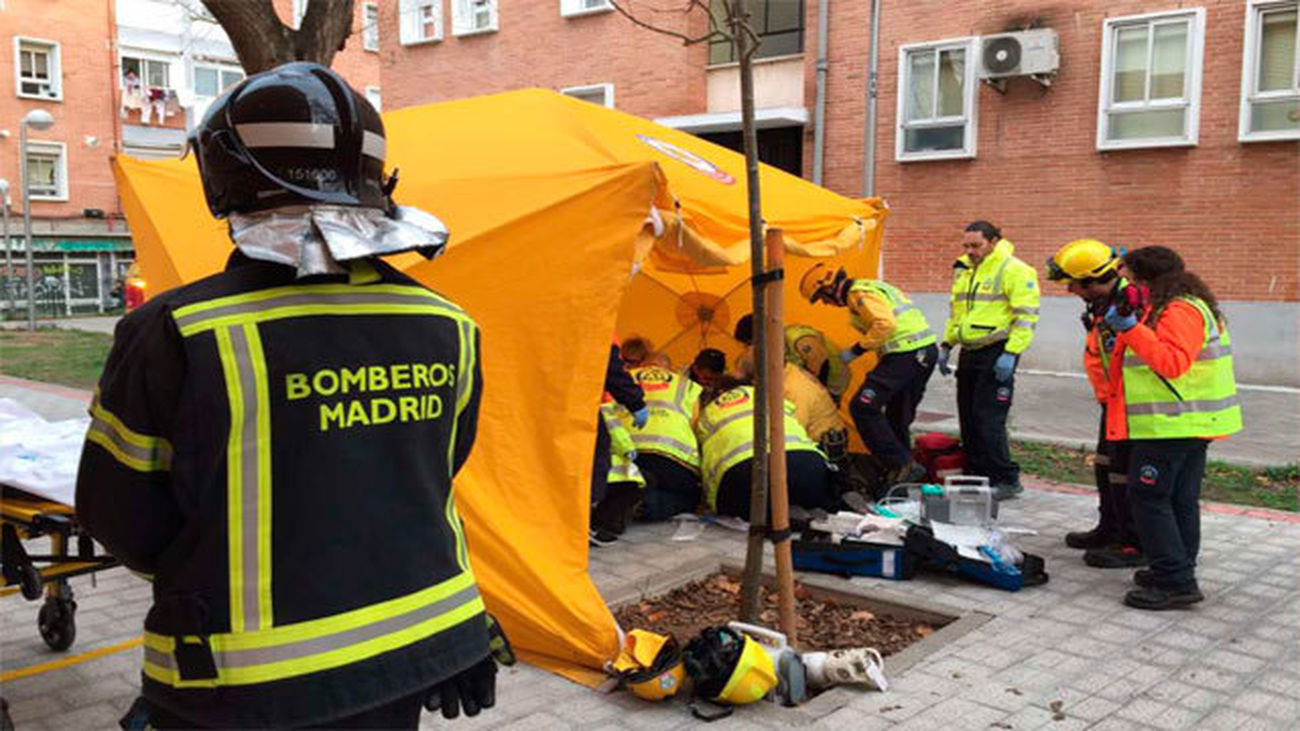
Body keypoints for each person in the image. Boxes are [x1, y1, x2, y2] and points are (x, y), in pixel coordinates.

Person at [75, 63, 503, 729]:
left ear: (223, 177)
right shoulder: (449, 324)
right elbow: (425, 479)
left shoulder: (178, 330)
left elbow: (120, 517)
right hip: (412, 654)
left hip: (243, 685)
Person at [1102, 246, 1241, 610]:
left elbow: (1172, 362)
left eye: (1129, 281)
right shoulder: (1169, 306)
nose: (1126, 289)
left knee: (1148, 497)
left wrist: (1131, 330)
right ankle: (1175, 567)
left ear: (1146, 281)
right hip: (1179, 423)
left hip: (1173, 425)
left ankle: (1175, 582)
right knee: (1178, 499)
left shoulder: (1181, 310)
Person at [1047, 239, 1146, 569]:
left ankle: (1132, 542)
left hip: (1133, 404)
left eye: (1073, 283)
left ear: (1092, 280)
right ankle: (1110, 527)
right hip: (1112, 401)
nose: (1070, 290)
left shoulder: (1129, 304)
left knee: (1123, 472)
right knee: (1106, 466)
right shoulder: (1105, 303)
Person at [799, 264, 937, 486]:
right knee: (897, 416)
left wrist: (857, 350)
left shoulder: (859, 294)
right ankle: (901, 476)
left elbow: (885, 324)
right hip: (923, 352)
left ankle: (901, 464)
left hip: (905, 353)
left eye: (822, 297)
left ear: (829, 287)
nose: (825, 303)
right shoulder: (873, 286)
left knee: (863, 407)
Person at [940, 221, 1040, 500]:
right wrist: (947, 344)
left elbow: (1026, 316)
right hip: (970, 350)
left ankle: (1006, 478)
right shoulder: (966, 270)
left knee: (988, 419)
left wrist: (1012, 352)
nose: (970, 251)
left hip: (997, 350)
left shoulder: (1014, 269)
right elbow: (958, 313)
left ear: (994, 242)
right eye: (966, 246)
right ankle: (976, 474)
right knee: (969, 417)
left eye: (976, 245)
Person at [695, 376, 838, 520]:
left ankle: (779, 519)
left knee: (750, 515)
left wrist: (713, 504)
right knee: (816, 502)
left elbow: (704, 464)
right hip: (807, 464)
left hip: (744, 476)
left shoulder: (707, 414)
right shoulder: (769, 397)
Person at [618, 339, 705, 521]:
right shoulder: (685, 385)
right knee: (690, 496)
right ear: (670, 369)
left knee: (624, 486)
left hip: (627, 455)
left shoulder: (624, 379)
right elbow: (697, 428)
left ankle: (636, 495)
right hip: (672, 457)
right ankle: (648, 504)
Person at [591, 341, 649, 546]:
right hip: (582, 406)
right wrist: (635, 401)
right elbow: (606, 362)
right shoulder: (596, 328)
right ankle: (588, 523)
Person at [733, 313, 850, 402]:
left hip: (832, 382)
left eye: (750, 343)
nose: (750, 348)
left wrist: (822, 395)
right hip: (816, 384)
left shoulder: (796, 338)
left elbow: (822, 365)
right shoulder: (776, 341)